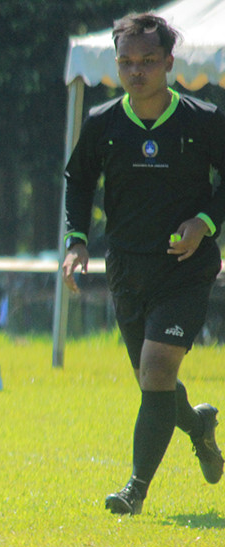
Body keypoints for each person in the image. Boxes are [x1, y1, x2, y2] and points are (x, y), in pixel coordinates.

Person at [63, 13, 225, 516]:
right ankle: (199, 426)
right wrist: (76, 241)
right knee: (153, 381)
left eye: (148, 61)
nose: (137, 71)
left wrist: (204, 221)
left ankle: (134, 490)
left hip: (186, 268)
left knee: (156, 370)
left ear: (169, 64)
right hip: (126, 269)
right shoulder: (102, 124)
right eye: (127, 62)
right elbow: (79, 181)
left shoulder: (203, 119)